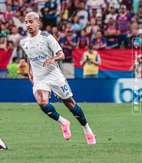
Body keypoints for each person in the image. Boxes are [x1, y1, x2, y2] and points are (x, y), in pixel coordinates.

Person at [20, 12, 96, 144]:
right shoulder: (24, 42)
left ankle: (87, 129)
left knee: (70, 103)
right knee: (42, 102)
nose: (28, 24)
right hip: (40, 78)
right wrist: (30, 70)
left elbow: (61, 55)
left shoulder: (47, 37)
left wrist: (52, 59)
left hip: (54, 75)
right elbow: (29, 56)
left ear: (38, 23)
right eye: (26, 22)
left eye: (31, 21)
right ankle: (63, 122)